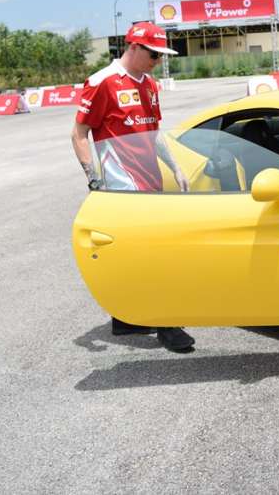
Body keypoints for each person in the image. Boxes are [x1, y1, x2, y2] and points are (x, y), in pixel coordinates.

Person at [70, 21, 195, 353]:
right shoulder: (101, 83)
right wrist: (94, 179)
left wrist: (176, 167)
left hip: (150, 180)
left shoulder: (150, 85)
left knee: (132, 255)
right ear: (134, 47)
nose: (157, 61)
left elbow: (155, 133)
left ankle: (127, 319)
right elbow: (79, 134)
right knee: (155, 254)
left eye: (161, 56)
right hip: (122, 185)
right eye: (153, 54)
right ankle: (169, 324)